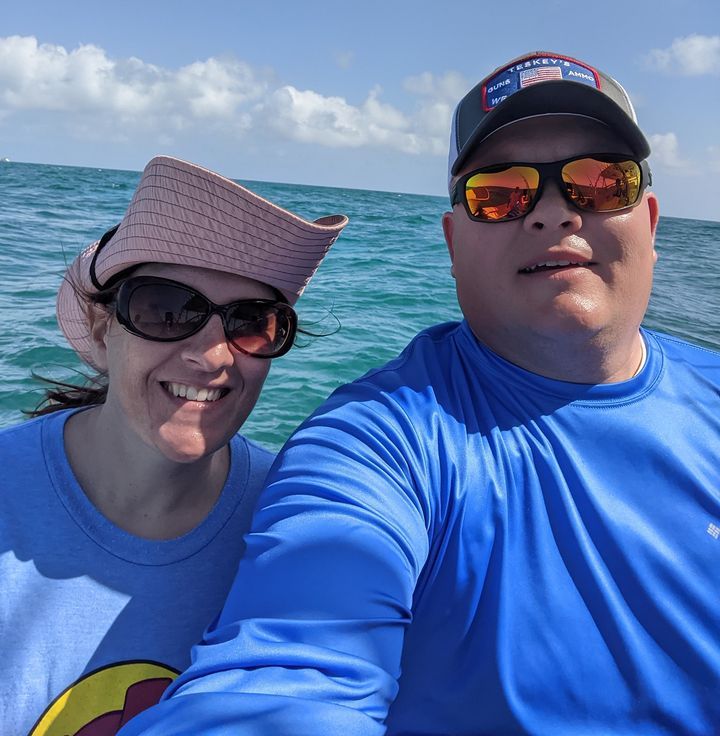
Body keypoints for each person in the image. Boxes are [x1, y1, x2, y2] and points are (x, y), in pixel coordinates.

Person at [119, 55, 720, 736]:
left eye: (600, 182)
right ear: (453, 242)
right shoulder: (377, 443)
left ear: (651, 221)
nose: (554, 214)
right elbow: (287, 674)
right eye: (501, 193)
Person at [0, 155, 346, 736]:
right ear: (104, 323)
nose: (211, 355)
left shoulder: (296, 521)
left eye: (250, 322)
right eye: (166, 310)